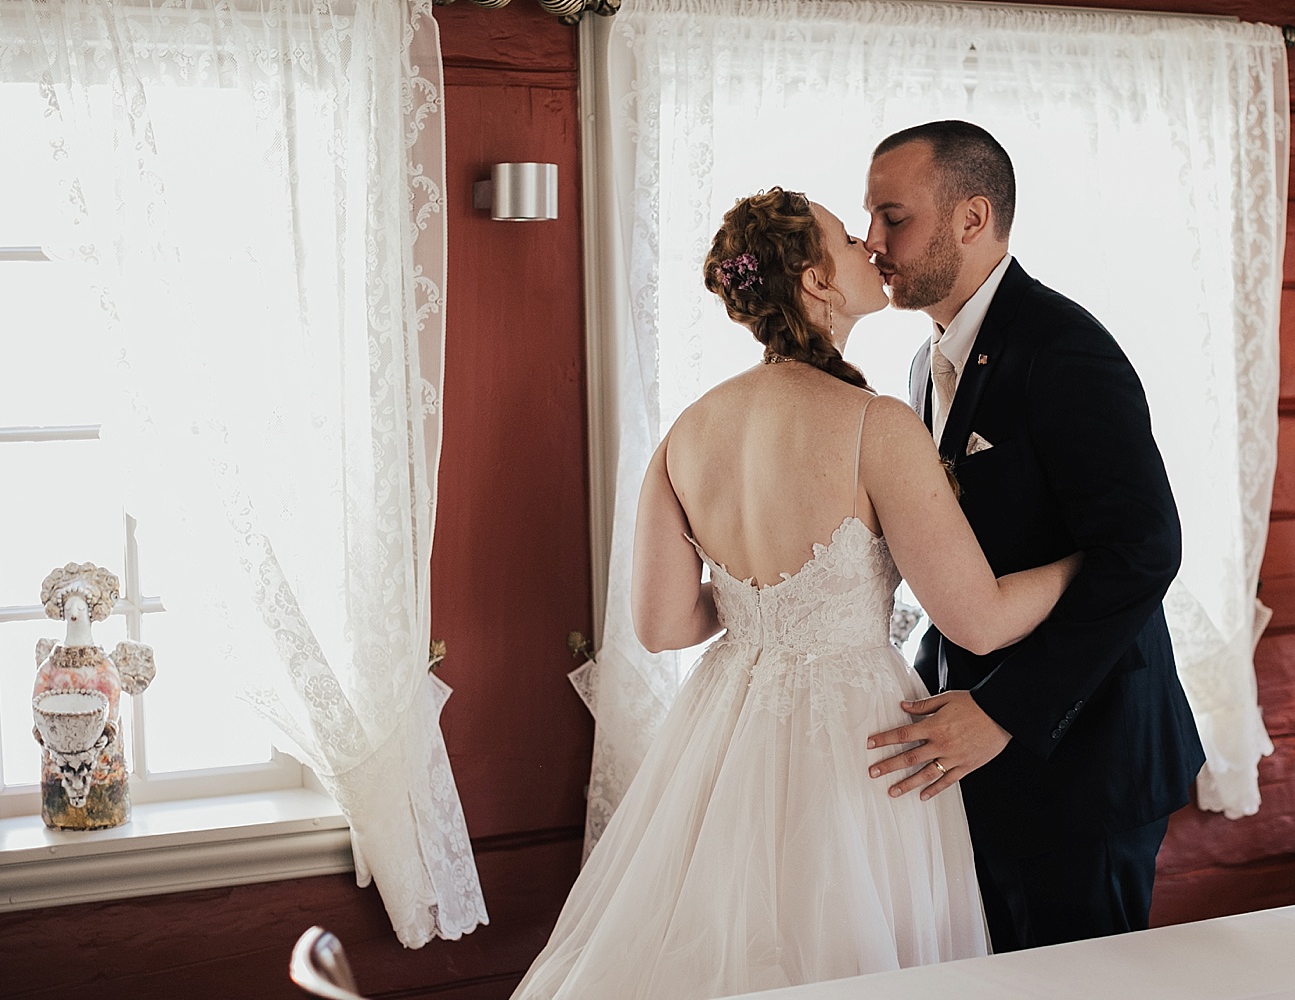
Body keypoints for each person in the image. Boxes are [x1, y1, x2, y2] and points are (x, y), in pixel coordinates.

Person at [509, 187, 1081, 1000]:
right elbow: (979, 620)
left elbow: (663, 625)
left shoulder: (688, 431)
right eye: (848, 239)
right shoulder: (877, 424)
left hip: (724, 732)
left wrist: (759, 606)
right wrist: (1085, 565)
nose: (869, 247)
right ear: (816, 281)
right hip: (857, 742)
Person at [862, 120, 1206, 952]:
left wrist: (1003, 712)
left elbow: (1144, 549)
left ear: (972, 218)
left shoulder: (1065, 348)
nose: (872, 240)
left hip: (1087, 761)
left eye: (893, 217)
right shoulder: (924, 366)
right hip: (979, 765)